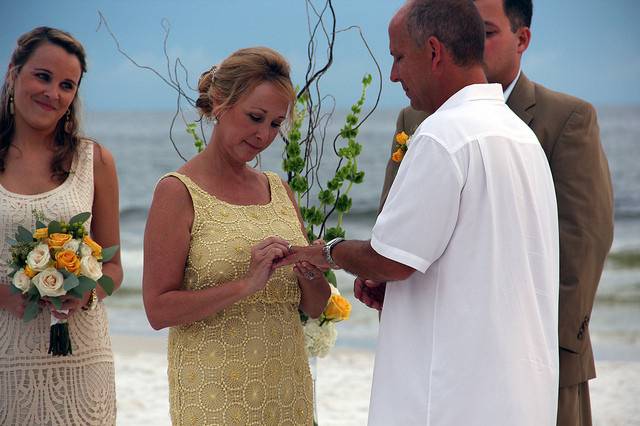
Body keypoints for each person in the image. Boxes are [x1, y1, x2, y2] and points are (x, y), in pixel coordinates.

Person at [277, 0, 560, 424]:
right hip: (520, 394)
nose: (394, 75)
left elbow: (390, 260)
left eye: (398, 57)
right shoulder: (520, 136)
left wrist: (328, 252)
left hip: (451, 397)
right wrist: (398, 284)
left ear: (433, 51)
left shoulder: (444, 135)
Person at [378, 1, 614, 424]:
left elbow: (584, 240)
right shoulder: (415, 115)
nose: (470, 43)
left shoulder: (566, 118)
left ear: (522, 38)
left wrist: (541, 347)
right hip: (445, 362)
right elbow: (399, 232)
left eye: (485, 33)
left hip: (540, 355)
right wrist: (386, 284)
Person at [142, 47, 331, 425]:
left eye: (276, 124)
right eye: (255, 117)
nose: (264, 135)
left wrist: (309, 270)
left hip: (286, 388)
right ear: (218, 104)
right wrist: (246, 284)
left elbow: (314, 307)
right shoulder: (177, 192)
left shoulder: (279, 190)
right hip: (213, 393)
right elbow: (157, 310)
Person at [0, 27, 122, 424]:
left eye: (67, 84)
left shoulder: (95, 161)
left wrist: (86, 294)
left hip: (81, 362)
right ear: (13, 72)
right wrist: (4, 296)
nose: (53, 92)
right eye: (42, 76)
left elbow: (113, 267)